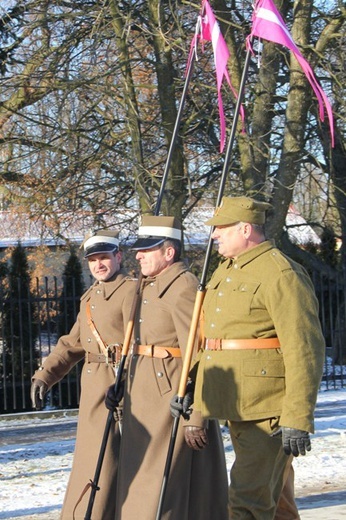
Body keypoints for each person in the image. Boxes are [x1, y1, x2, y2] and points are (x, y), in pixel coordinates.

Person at [173, 196, 325, 519]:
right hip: (237, 405)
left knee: (247, 503)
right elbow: (213, 343)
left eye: (221, 229)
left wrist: (297, 417)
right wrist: (193, 388)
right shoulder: (223, 274)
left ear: (245, 230)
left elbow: (305, 348)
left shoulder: (280, 273)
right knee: (278, 504)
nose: (215, 236)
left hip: (268, 412)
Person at [106, 215, 229, 520]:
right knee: (139, 489)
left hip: (170, 402)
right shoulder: (147, 287)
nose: (138, 255)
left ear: (169, 252)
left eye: (146, 250)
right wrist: (120, 384)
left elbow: (199, 352)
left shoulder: (182, 287)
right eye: (138, 250)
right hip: (141, 397)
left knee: (165, 495)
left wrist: (197, 413)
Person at [30, 230, 136, 520]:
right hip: (93, 391)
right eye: (92, 259)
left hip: (120, 392)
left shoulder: (131, 291)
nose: (98, 264)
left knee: (113, 464)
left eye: (104, 257)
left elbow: (140, 344)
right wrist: (45, 375)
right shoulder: (90, 297)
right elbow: (72, 342)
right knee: (90, 463)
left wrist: (124, 383)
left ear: (118, 256)